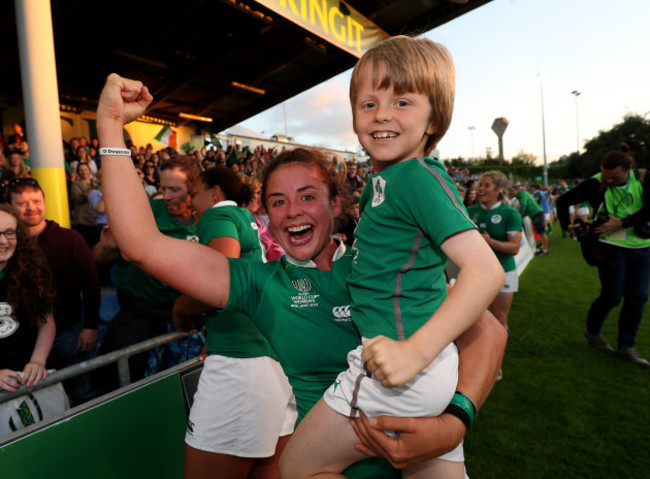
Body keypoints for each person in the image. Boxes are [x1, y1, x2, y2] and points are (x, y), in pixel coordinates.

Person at [97, 73, 506, 478]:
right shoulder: (259, 285)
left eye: (307, 196)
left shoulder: (382, 265)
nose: (292, 211)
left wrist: (452, 423)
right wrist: (111, 126)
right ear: (267, 217)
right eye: (277, 202)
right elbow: (142, 245)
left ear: (335, 202)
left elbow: (487, 331)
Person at [281, 35, 504, 479]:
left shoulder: (416, 177)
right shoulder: (388, 181)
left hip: (398, 369)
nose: (382, 114)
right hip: (423, 373)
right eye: (368, 104)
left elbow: (485, 270)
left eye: (402, 102)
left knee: (297, 470)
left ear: (433, 119)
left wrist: (414, 354)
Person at [174, 166, 296, 479]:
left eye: (195, 194)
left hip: (241, 366)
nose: (191, 202)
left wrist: (180, 307)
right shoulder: (247, 218)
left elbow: (221, 278)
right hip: (272, 359)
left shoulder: (216, 215)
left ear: (215, 193)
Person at [91, 156, 202, 394]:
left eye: (174, 189)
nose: (167, 196)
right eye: (163, 188)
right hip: (140, 320)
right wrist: (107, 246)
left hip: (189, 323)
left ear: (194, 188)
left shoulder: (210, 219)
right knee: (123, 386)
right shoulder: (146, 212)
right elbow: (100, 258)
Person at [7, 178, 101, 405]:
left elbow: (90, 284)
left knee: (82, 392)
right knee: (36, 400)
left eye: (36, 201)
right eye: (22, 203)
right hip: (24, 339)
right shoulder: (7, 243)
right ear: (10, 206)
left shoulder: (70, 239)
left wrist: (90, 326)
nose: (31, 208)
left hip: (68, 332)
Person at [556, 145, 650, 368]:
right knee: (612, 295)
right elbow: (562, 202)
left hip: (642, 246)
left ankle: (626, 346)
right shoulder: (595, 183)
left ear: (628, 170)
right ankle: (593, 331)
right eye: (604, 175)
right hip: (610, 247)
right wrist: (567, 226)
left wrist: (622, 223)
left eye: (613, 176)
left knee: (638, 297)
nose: (607, 180)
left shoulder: (644, 179)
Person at [0, 203, 56, 394]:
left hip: (28, 379)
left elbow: (46, 321)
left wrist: (38, 361)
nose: (3, 241)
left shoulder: (31, 272)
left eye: (9, 232)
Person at [510, 182, 549, 255]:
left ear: (516, 190)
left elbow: (524, 204)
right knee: (541, 232)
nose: (511, 192)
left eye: (512, 190)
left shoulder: (522, 194)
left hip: (536, 214)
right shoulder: (522, 194)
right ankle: (544, 249)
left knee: (542, 232)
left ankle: (545, 250)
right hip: (536, 213)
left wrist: (519, 215)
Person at [69, 162, 99, 247]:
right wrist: (92, 188)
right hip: (83, 222)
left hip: (96, 221)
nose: (84, 172)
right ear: (78, 173)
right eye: (81, 170)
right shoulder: (75, 185)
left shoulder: (97, 184)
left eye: (86, 169)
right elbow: (78, 198)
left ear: (89, 171)